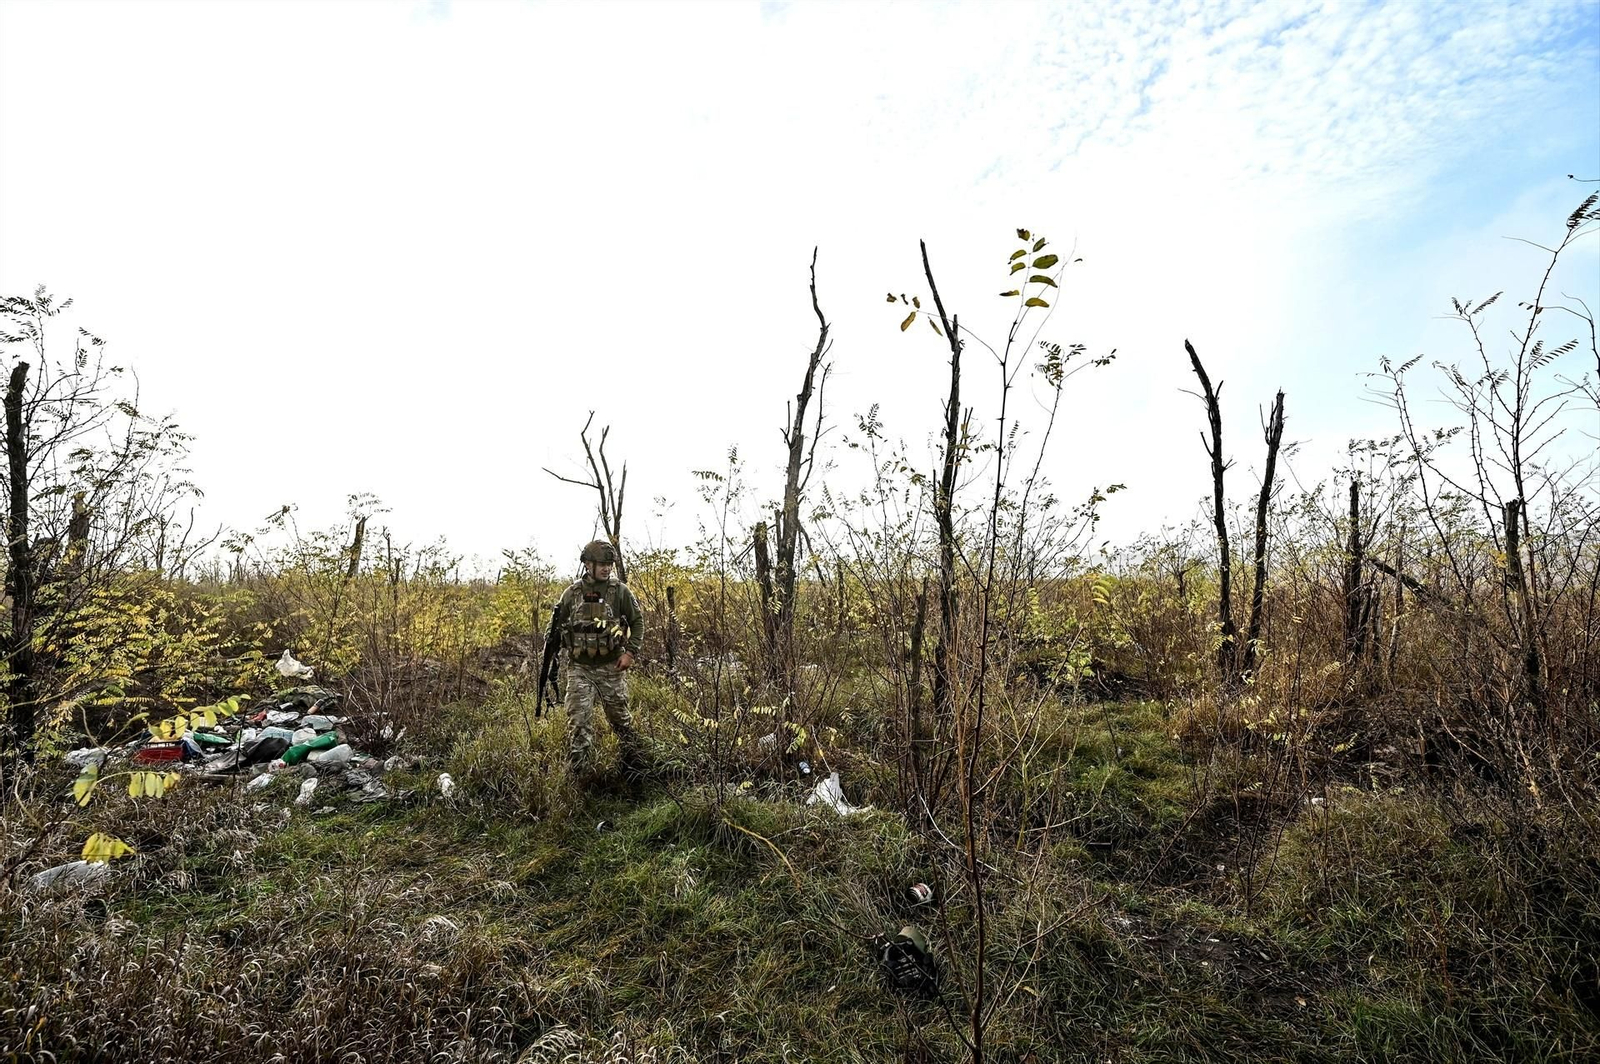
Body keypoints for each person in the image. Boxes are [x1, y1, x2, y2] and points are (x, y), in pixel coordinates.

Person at [549, 539, 644, 782]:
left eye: (609, 564)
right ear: (588, 564)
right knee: (579, 723)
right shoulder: (572, 594)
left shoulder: (619, 591)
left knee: (620, 721)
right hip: (580, 669)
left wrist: (629, 653)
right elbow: (555, 630)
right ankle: (581, 779)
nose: (606, 568)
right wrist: (552, 655)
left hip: (612, 667)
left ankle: (635, 769)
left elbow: (637, 622)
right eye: (601, 564)